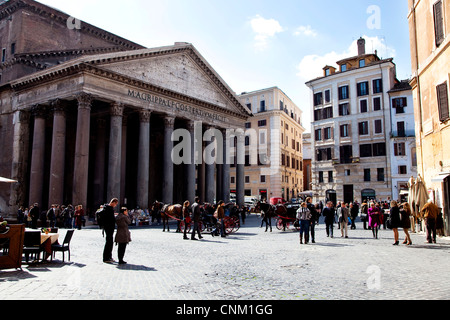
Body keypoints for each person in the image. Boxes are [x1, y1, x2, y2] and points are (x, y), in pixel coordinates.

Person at [103, 198, 119, 263]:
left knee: (109, 242)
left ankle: (109, 257)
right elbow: (111, 219)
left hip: (107, 227)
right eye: (115, 204)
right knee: (109, 243)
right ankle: (106, 258)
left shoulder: (106, 207)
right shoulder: (109, 209)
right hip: (109, 227)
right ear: (113, 202)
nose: (115, 205)